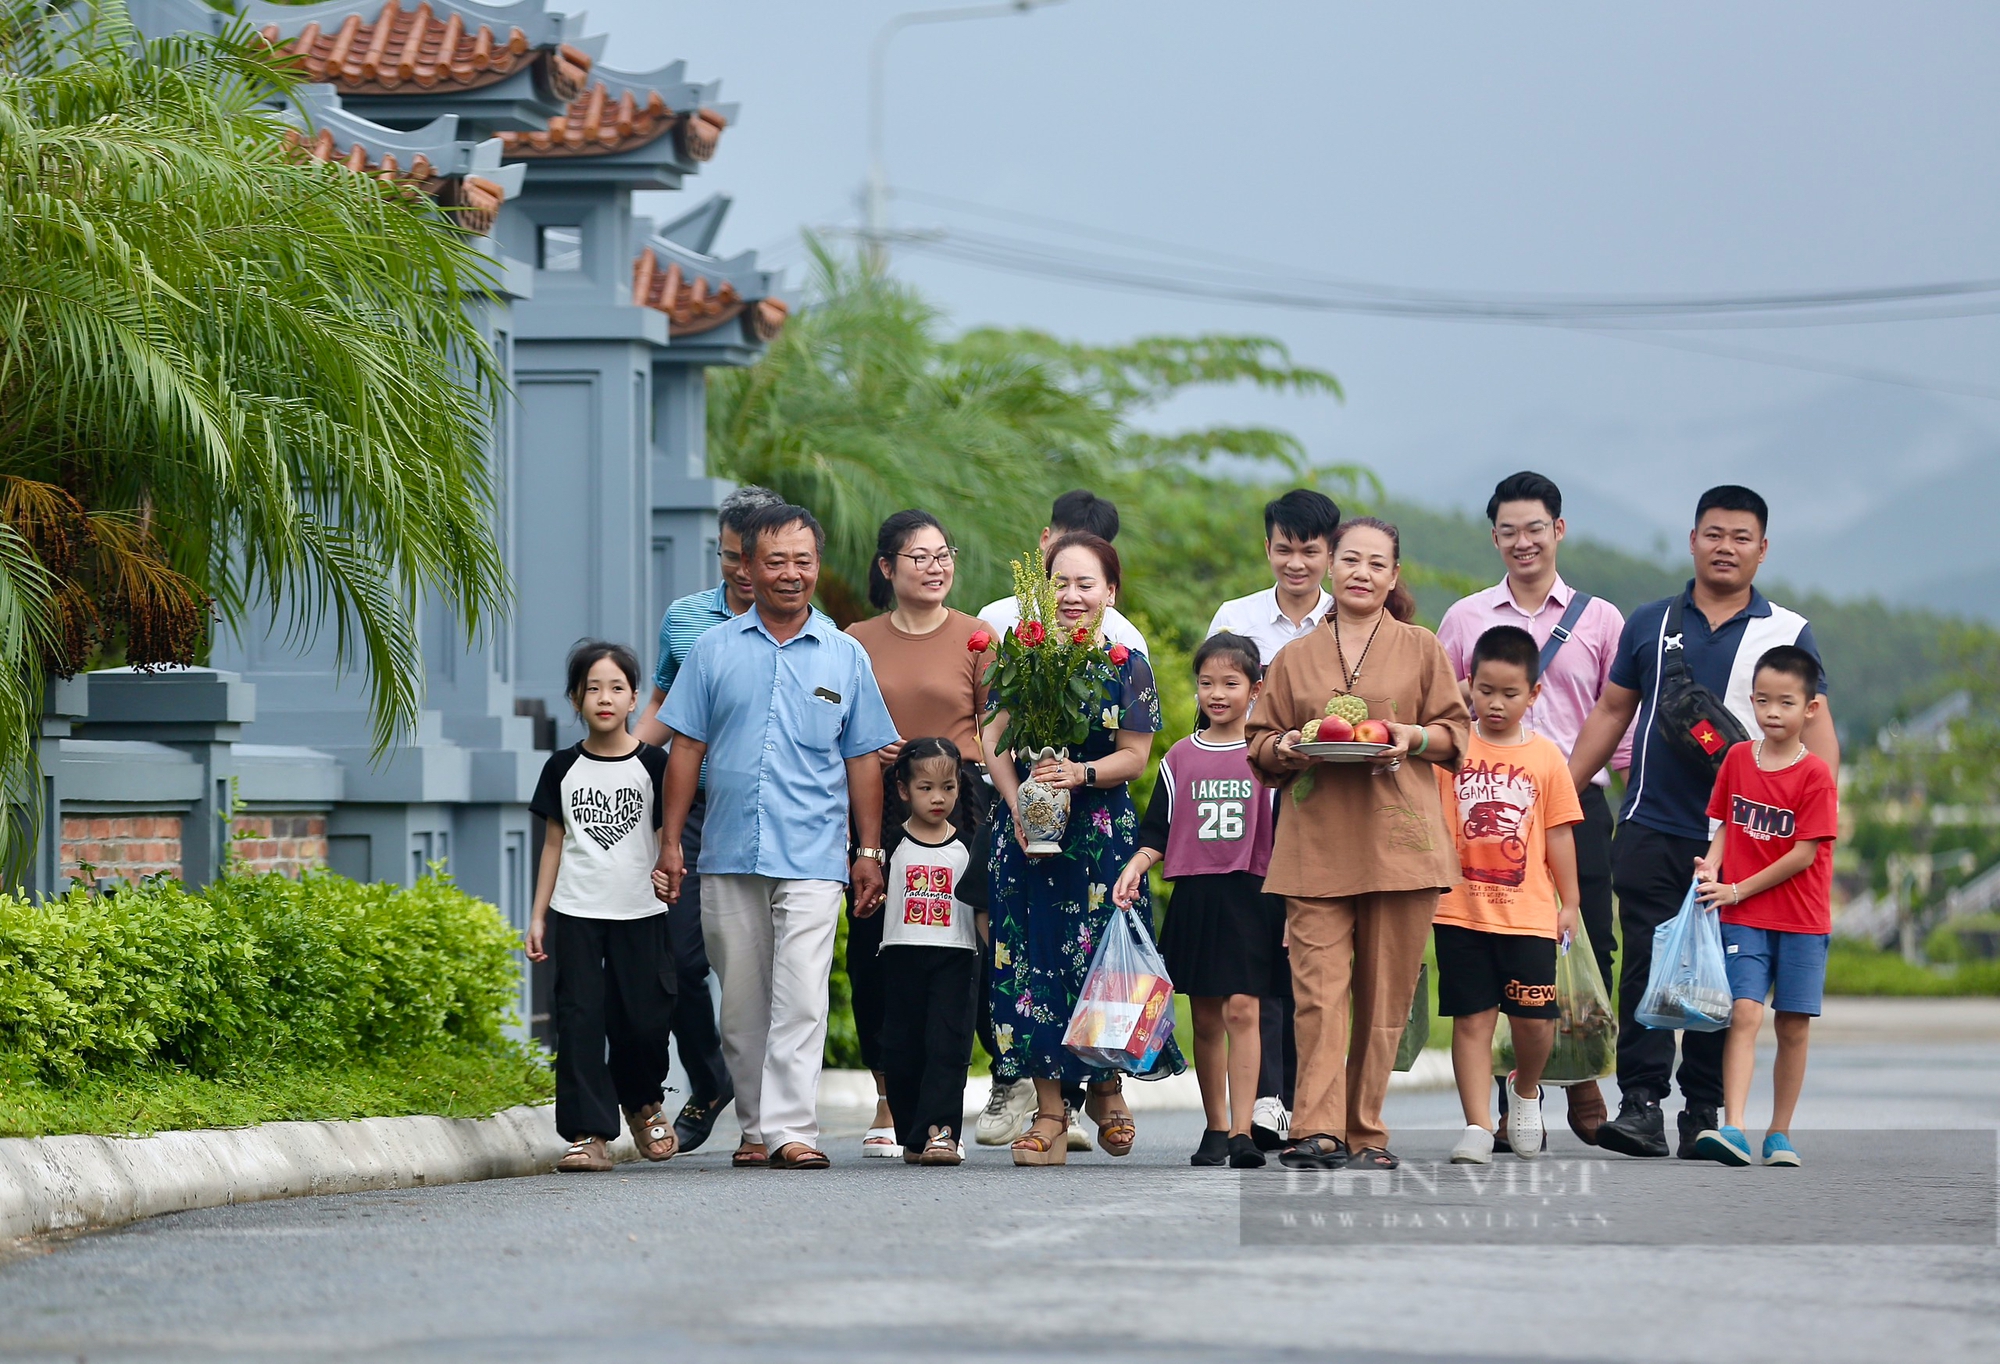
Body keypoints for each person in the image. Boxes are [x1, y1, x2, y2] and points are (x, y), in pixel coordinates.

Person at [1569, 486, 1837, 1160]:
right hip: (1653, 824)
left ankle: (1705, 1109)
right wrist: (1561, 792)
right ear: (1693, 540)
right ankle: (1640, 1102)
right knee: (1648, 965)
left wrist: (1817, 825)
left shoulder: (1787, 632)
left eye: (1741, 537)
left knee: (1725, 974)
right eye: (1714, 534)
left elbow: (1819, 741)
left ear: (1762, 550)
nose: (1726, 547)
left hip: (1748, 844)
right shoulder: (1653, 623)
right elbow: (1610, 713)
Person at [655, 503, 901, 1170]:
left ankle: (795, 1130)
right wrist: (671, 841)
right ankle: (757, 1127)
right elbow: (685, 749)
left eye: (803, 561)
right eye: (775, 561)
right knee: (740, 1000)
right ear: (748, 567)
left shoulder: (845, 656)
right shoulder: (711, 650)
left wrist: (869, 852)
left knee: (801, 989)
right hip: (728, 847)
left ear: (817, 567)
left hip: (816, 850)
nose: (790, 574)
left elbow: (863, 759)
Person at [1247, 516, 1470, 1172]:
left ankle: (1365, 1130)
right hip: (1314, 845)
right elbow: (1261, 744)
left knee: (1384, 998)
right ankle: (1317, 1128)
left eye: (1377, 563)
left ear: (1394, 576)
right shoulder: (1292, 658)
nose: (1362, 573)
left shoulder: (1422, 648)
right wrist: (1286, 746)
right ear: (1330, 568)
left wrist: (1409, 736)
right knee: (1318, 994)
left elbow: (1455, 733)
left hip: (1401, 844)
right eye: (1350, 560)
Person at [1436, 470, 1629, 1145]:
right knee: (1485, 950)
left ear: (1559, 531)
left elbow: (1618, 718)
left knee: (1587, 942)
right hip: (1482, 804)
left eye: (1535, 529)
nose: (1524, 542)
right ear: (1495, 537)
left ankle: (1576, 1075)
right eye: (1510, 531)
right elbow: (1442, 712)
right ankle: (1506, 1098)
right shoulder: (1465, 618)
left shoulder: (1601, 619)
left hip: (1578, 799)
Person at [983, 531, 1182, 1166]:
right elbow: (991, 738)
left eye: (1085, 584)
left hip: (1100, 838)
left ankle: (1108, 1087)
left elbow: (1136, 754)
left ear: (1109, 592)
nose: (1071, 596)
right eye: (1059, 583)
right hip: (1030, 837)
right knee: (1033, 964)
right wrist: (1018, 803)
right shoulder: (1019, 655)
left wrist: (1082, 775)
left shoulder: (1128, 663)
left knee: (1106, 959)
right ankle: (1048, 1113)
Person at [633, 484, 783, 1154]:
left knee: (772, 967)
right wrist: (622, 765)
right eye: (728, 556)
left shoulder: (814, 628)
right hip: (691, 806)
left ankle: (768, 1100)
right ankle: (711, 1078)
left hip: (772, 806)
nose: (740, 571)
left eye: (750, 556)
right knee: (680, 955)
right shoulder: (686, 618)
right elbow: (665, 702)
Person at [845, 509, 993, 1158]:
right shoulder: (856, 638)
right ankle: (890, 1096)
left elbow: (1000, 729)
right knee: (877, 961)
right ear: (887, 567)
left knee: (959, 966)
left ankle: (943, 1117)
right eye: (920, 557)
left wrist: (952, 763)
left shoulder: (977, 636)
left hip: (959, 819)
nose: (937, 568)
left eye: (944, 554)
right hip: (878, 819)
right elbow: (842, 729)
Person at [1113, 632, 1284, 1170]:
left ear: (1255, 688)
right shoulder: (1179, 758)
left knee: (1245, 1009)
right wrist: (1136, 867)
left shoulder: (1268, 757)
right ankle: (1214, 1127)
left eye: (1230, 683)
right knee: (1206, 1017)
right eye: (1206, 682)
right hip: (1198, 895)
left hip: (1253, 894)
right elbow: (1157, 832)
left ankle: (1242, 1131)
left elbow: (1286, 835)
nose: (1217, 693)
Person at [1204, 487, 1342, 1150]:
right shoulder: (1237, 617)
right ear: (1268, 548)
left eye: (1309, 550)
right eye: (1284, 548)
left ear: (1330, 553)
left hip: (1325, 811)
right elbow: (1215, 706)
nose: (1296, 562)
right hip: (1249, 810)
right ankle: (1267, 1101)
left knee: (1309, 955)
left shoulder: (1348, 619)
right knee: (1261, 955)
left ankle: (1305, 1101)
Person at [526, 641, 679, 1173]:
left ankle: (642, 1102)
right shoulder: (562, 767)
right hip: (576, 913)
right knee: (580, 1020)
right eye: (593, 688)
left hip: (642, 912)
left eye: (617, 687)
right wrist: (538, 915)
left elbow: (669, 836)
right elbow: (552, 844)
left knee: (643, 1021)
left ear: (635, 697)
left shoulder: (655, 765)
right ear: (576, 699)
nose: (605, 698)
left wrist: (671, 874)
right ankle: (589, 1133)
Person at [1435, 626, 1585, 1164]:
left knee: (1534, 1021)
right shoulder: (1449, 747)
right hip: (1458, 910)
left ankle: (1525, 1092)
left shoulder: (1546, 758)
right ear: (1468, 684)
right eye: (1486, 690)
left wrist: (1570, 903)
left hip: (1528, 914)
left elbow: (1559, 832)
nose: (1496, 704)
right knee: (1472, 1019)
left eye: (1510, 693)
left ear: (1535, 693)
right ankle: (1477, 1124)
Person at [1690, 645, 1838, 1168]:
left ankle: (1780, 1133)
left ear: (1810, 708)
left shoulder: (1815, 775)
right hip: (1744, 917)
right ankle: (1734, 1125)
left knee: (1792, 1025)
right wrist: (1711, 868)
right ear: (1751, 700)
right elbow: (1726, 824)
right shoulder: (1735, 759)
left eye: (1786, 702)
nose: (1772, 712)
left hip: (1800, 919)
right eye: (1763, 701)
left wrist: (1736, 887)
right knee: (1745, 1012)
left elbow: (1803, 854)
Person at [874, 738, 986, 1166]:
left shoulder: (969, 845)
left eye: (948, 787)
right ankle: (915, 1135)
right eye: (925, 788)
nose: (938, 797)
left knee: (947, 1044)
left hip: (955, 960)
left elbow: (980, 910)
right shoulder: (888, 845)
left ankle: (943, 1131)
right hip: (901, 957)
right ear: (903, 789)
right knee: (901, 1048)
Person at [979, 489, 1149, 656]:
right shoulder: (994, 619)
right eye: (1066, 543)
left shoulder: (1125, 640)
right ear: (1045, 539)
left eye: (1090, 549)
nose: (1072, 597)